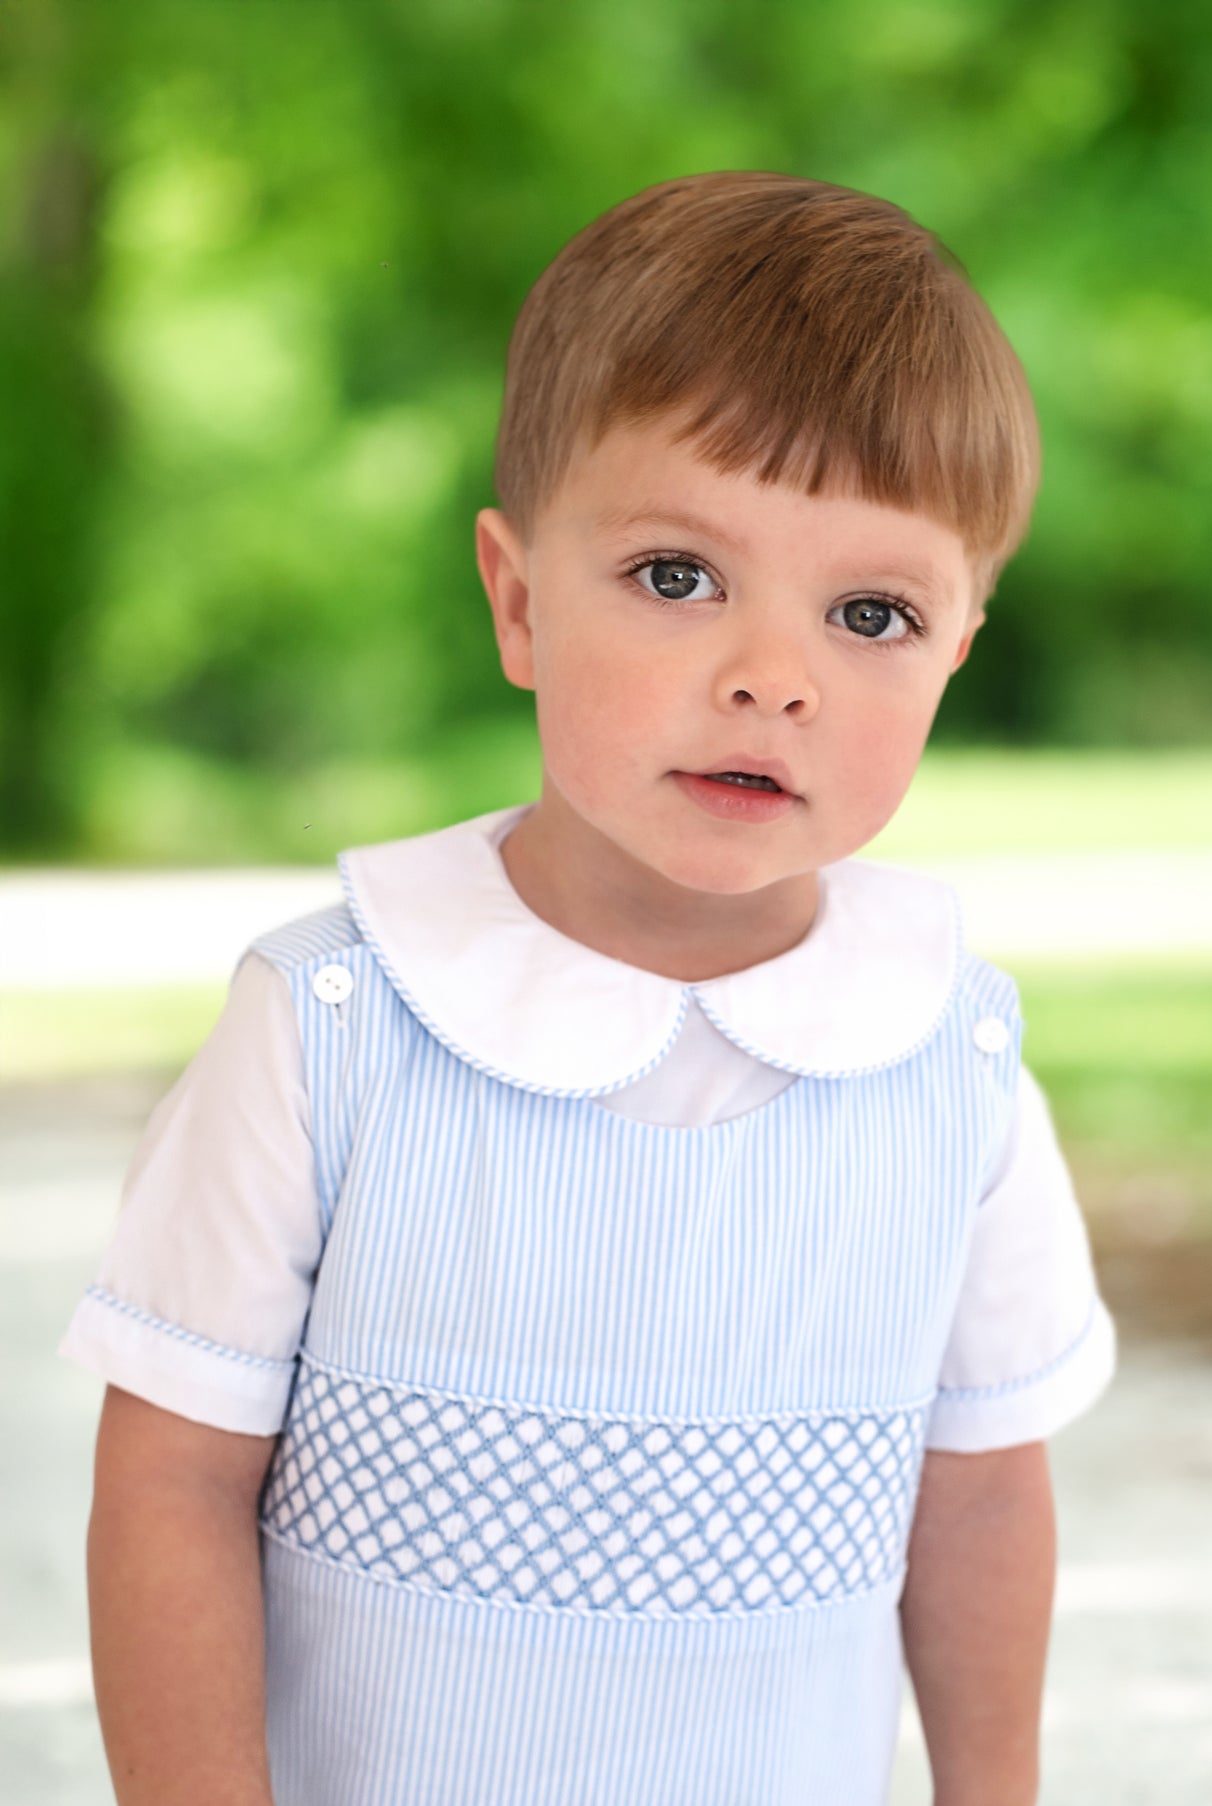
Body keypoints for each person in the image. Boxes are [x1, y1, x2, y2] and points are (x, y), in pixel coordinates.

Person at [61, 171, 1117, 1806]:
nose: (772, 672)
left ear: (958, 647)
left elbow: (974, 1493)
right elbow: (173, 1480)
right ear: (516, 597)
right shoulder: (337, 1028)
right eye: (679, 575)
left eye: (869, 612)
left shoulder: (948, 1064)